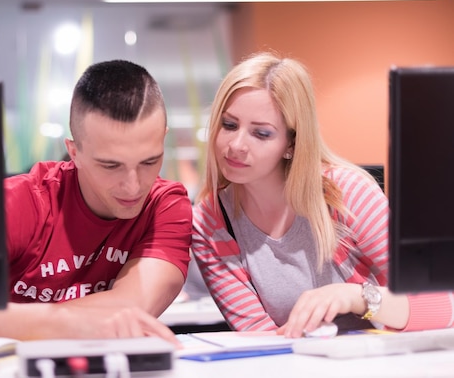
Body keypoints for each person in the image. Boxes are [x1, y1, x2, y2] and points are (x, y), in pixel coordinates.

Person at [0, 59, 193, 354]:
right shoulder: (15, 204)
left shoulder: (165, 206)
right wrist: (70, 324)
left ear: (163, 140)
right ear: (74, 151)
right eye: (110, 165)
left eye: (149, 161)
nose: (133, 186)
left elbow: (130, 307)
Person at [192, 51, 453, 339]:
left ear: (291, 143)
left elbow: (443, 303)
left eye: (261, 134)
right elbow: (263, 340)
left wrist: (355, 296)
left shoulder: (346, 194)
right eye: (229, 125)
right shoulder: (209, 222)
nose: (236, 145)